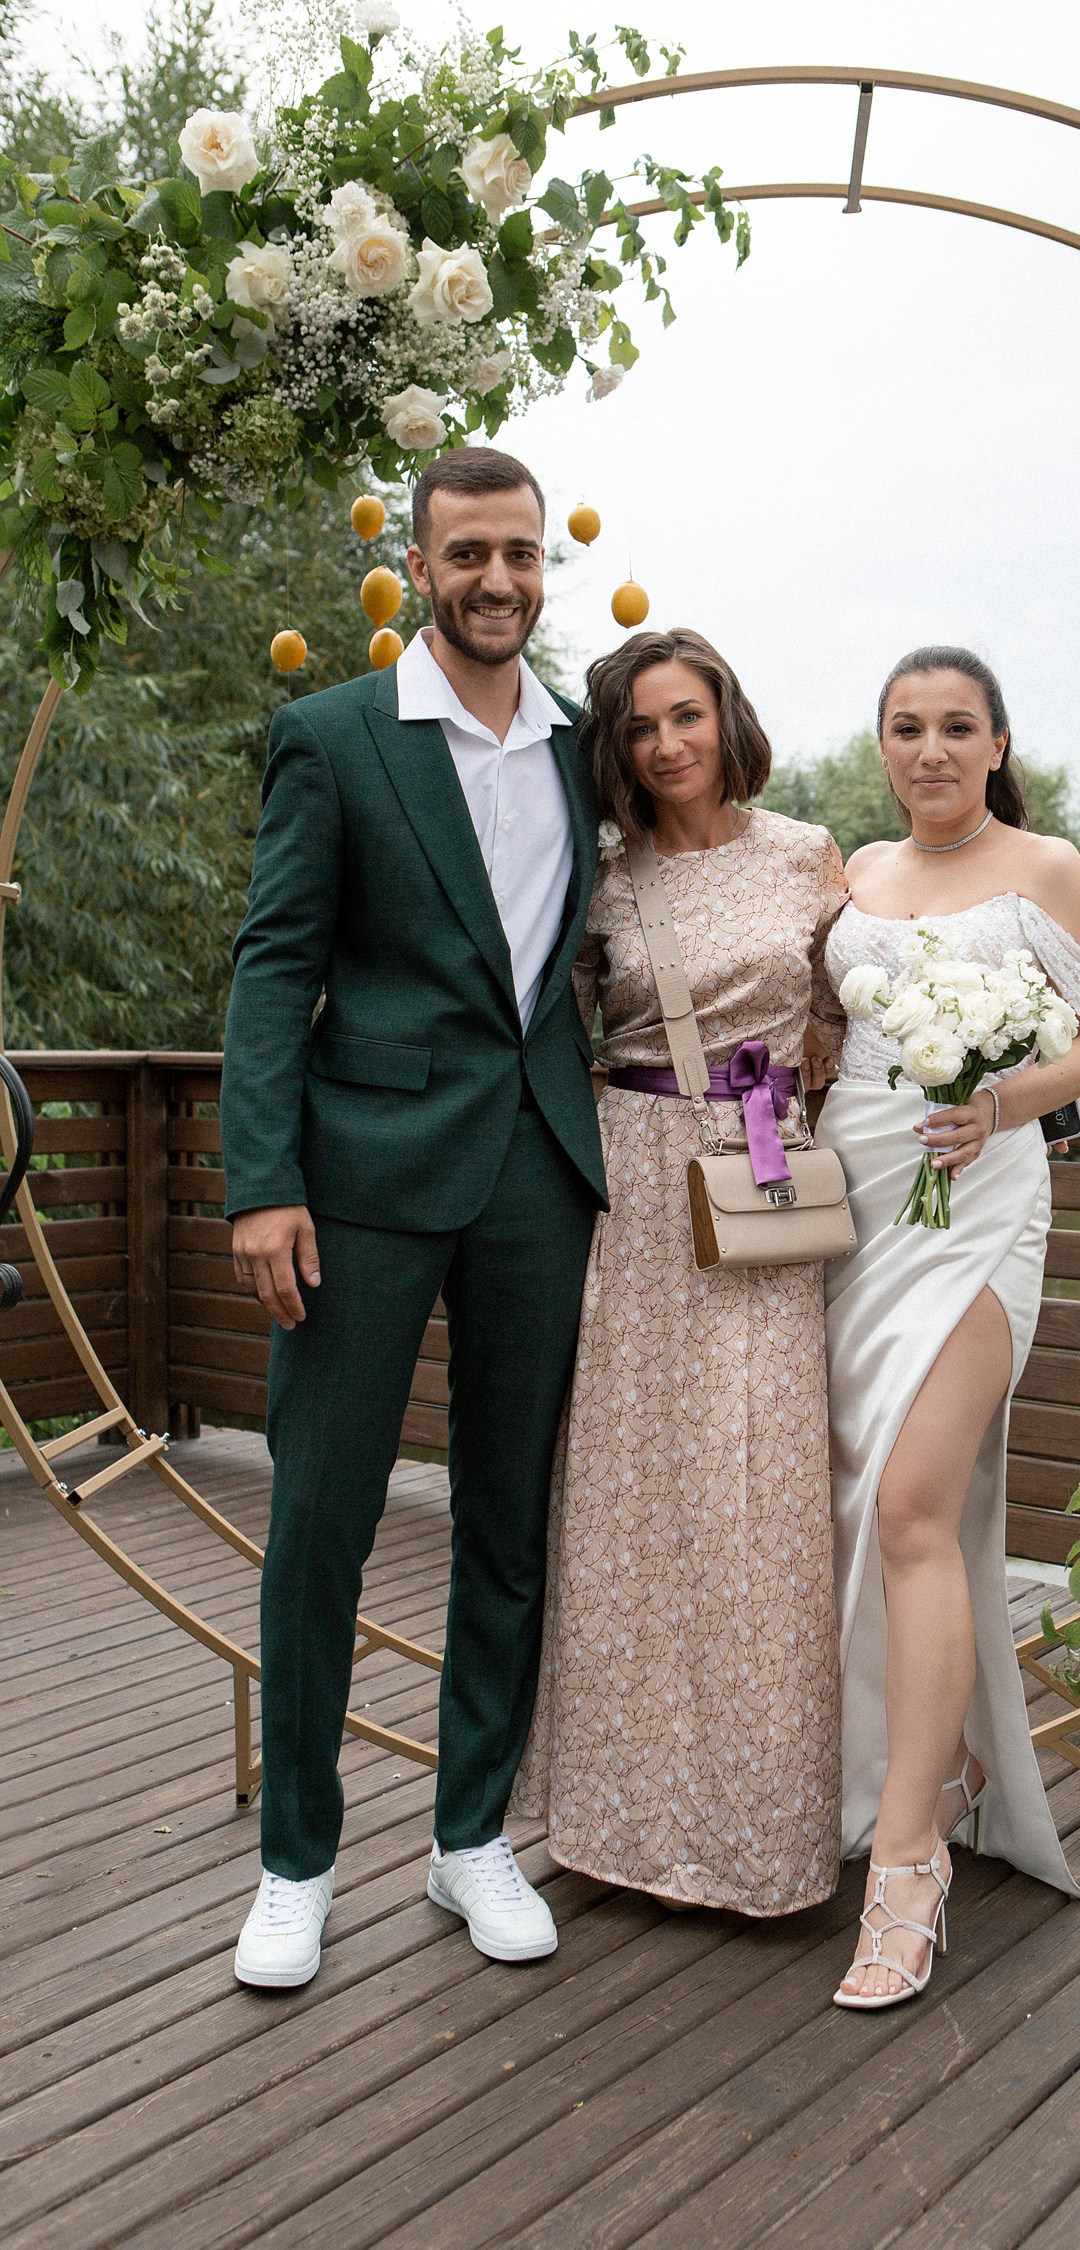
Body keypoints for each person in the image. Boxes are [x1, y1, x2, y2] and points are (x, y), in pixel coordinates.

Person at [221, 447, 607, 1989]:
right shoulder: (331, 738)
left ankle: (469, 1835)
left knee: (507, 1520)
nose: (498, 578)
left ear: (543, 566)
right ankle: (296, 1863)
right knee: (322, 1518)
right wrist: (263, 1181)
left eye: (521, 553)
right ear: (420, 568)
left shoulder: (582, 748)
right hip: (359, 1179)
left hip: (537, 1174)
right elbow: (272, 968)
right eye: (470, 554)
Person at [816, 645, 1080, 2008]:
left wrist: (1004, 1101)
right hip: (857, 1198)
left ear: (998, 743)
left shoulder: (1044, 867)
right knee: (867, 1504)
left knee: (912, 1503)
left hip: (981, 1206)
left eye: (959, 726)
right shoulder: (854, 874)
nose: (932, 749)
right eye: (908, 727)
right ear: (884, 746)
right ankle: (929, 1767)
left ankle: (908, 1871)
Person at [514, 628, 848, 1916]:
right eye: (641, 728)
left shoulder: (807, 854)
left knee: (758, 1493)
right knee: (631, 1497)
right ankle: (621, 1821)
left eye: (686, 716)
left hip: (765, 1183)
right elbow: (552, 1032)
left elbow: (848, 1014)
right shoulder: (603, 879)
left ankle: (763, 1830)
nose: (667, 746)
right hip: (638, 1189)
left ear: (727, 718)